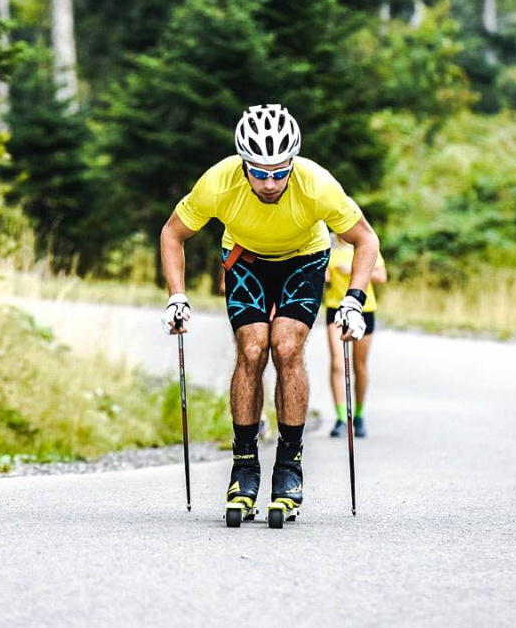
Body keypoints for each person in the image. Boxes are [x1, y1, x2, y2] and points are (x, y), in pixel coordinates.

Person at [160, 104, 380, 521]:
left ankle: (289, 465)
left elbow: (365, 240)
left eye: (280, 171)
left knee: (286, 346)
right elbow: (173, 232)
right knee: (252, 348)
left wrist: (353, 298)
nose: (270, 182)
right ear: (243, 164)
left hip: (305, 257)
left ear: (293, 162)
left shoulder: (317, 185)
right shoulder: (218, 182)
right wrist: (177, 295)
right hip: (246, 259)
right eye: (259, 172)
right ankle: (244, 465)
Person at [323, 233, 387, 438]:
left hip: (363, 308)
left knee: (359, 365)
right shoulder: (328, 245)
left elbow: (381, 277)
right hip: (335, 308)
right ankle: (342, 417)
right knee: (337, 363)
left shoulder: (364, 242)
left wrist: (354, 270)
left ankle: (358, 415)